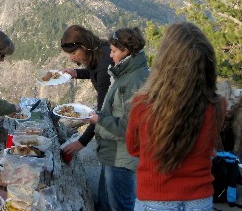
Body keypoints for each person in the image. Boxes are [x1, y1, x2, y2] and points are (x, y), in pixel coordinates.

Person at [126, 22, 225, 211]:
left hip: (154, 198)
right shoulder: (217, 105)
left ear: (164, 63)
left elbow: (134, 149)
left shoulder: (142, 105)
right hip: (200, 200)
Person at [88, 27, 149, 210]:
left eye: (114, 51)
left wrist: (99, 120)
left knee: (120, 206)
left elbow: (131, 127)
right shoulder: (125, 74)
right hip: (112, 152)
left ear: (127, 52)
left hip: (122, 156)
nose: (111, 55)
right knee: (106, 203)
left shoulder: (134, 82)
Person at [60, 25, 112, 156]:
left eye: (73, 53)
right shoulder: (101, 52)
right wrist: (76, 73)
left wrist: (81, 142)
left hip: (117, 128)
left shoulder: (105, 66)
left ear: (84, 46)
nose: (72, 58)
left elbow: (102, 113)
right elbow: (94, 71)